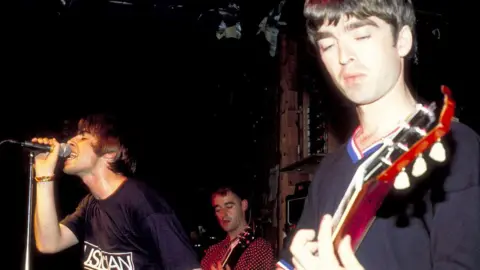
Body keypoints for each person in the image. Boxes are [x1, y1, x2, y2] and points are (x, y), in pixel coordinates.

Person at [276, 0, 480, 269]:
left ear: (403, 40)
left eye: (361, 36)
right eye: (327, 44)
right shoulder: (330, 168)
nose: (343, 56)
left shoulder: (456, 146)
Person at [33, 114, 201, 270]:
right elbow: (49, 243)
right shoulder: (90, 204)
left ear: (111, 153)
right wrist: (43, 175)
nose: (70, 141)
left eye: (83, 136)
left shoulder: (143, 202)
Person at [200, 186, 275, 269]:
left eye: (229, 207)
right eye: (218, 209)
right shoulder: (212, 252)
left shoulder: (259, 248)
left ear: (244, 205)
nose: (223, 214)